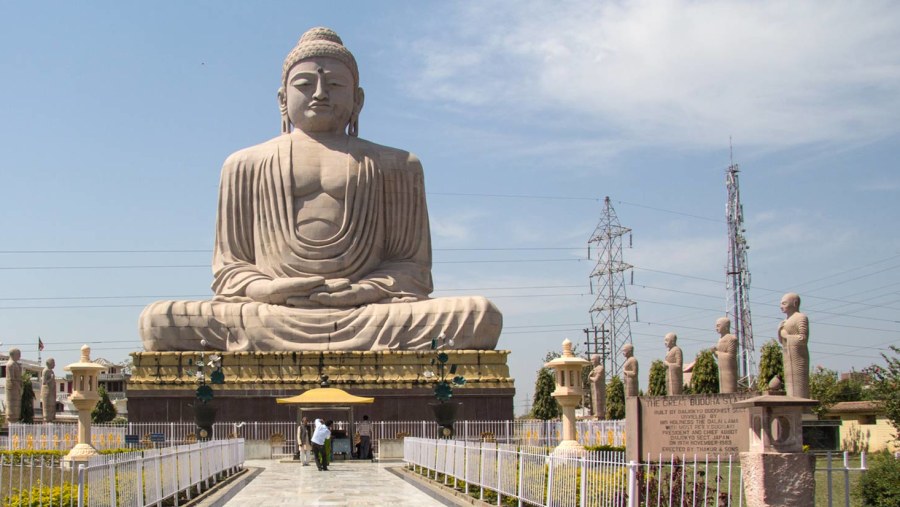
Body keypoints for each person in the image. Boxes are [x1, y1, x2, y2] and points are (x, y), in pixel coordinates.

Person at [139, 27, 502, 352]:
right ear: (282, 99)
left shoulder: (398, 165)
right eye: (304, 85)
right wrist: (268, 290)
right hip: (272, 311)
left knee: (479, 315)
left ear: (357, 99)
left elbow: (412, 269)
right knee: (159, 321)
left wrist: (362, 291)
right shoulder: (243, 164)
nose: (319, 93)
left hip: (367, 312)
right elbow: (231, 270)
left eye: (335, 85)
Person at [778, 292, 810, 398]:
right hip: (787, 356)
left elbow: (803, 339)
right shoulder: (784, 321)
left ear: (795, 303)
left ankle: (802, 405)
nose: (781, 306)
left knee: (799, 384)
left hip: (798, 357)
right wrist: (780, 332)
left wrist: (787, 336)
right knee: (789, 383)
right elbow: (781, 341)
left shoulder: (801, 318)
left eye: (784, 303)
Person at [712, 318, 738, 394]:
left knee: (729, 390)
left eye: (718, 326)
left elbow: (730, 356)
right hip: (722, 368)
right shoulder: (720, 339)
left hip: (729, 370)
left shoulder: (732, 338)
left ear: (726, 326)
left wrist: (716, 352)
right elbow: (719, 357)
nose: (716, 328)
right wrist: (715, 352)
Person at [5, 348, 23, 423]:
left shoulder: (16, 364)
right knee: (12, 406)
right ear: (13, 354)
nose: (20, 356)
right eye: (18, 354)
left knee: (17, 406)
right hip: (12, 387)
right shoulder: (10, 364)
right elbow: (11, 378)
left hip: (17, 387)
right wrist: (18, 386)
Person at [41, 358, 57, 423]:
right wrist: (51, 379)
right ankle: (47, 419)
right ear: (48, 363)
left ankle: (51, 419)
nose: (54, 365)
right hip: (47, 391)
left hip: (52, 391)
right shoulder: (45, 371)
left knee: (52, 406)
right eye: (53, 363)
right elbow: (44, 382)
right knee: (47, 407)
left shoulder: (51, 371)